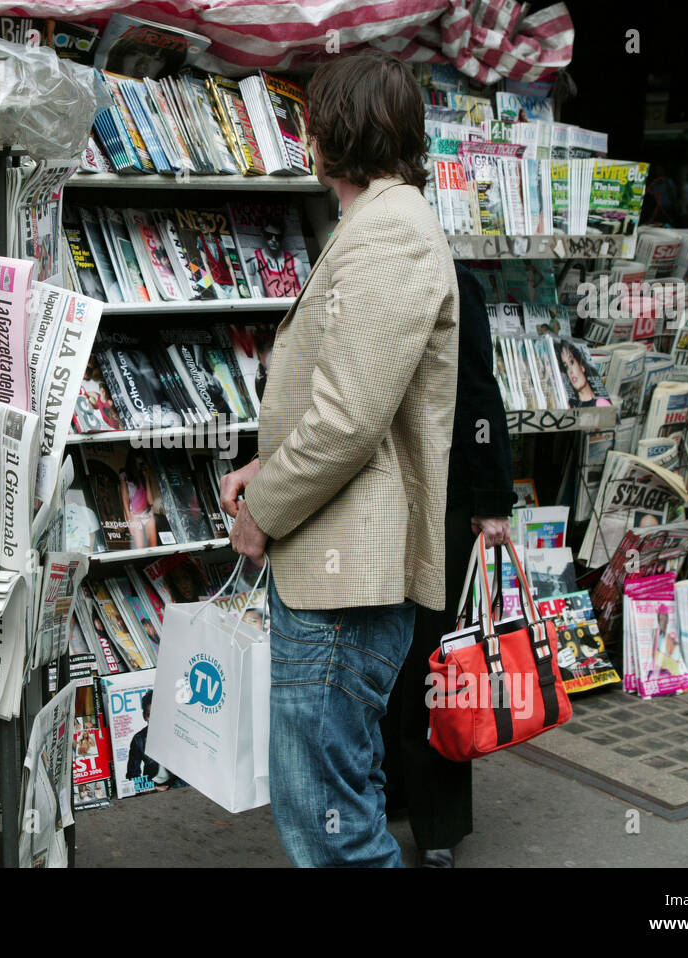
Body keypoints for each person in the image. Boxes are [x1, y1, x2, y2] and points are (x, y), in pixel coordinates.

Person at [219, 50, 459, 868]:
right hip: (337, 565)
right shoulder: (380, 223)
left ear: (332, 131)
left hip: (344, 576)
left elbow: (351, 420)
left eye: (310, 119)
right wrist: (270, 467)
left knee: (332, 824)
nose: (304, 133)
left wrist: (264, 511)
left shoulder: (391, 231)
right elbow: (355, 406)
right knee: (333, 802)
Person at [380, 264, 515, 868]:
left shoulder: (452, 281)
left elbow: (478, 390)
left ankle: (437, 826)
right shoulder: (361, 266)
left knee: (439, 660)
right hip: (379, 498)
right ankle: (397, 796)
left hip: (443, 501)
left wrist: (491, 502)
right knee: (389, 655)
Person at [125, 691, 171, 792]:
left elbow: (189, 773)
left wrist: (171, 789)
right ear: (144, 716)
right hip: (152, 786)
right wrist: (150, 787)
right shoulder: (138, 739)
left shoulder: (176, 734)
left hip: (177, 785)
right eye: (150, 715)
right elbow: (132, 776)